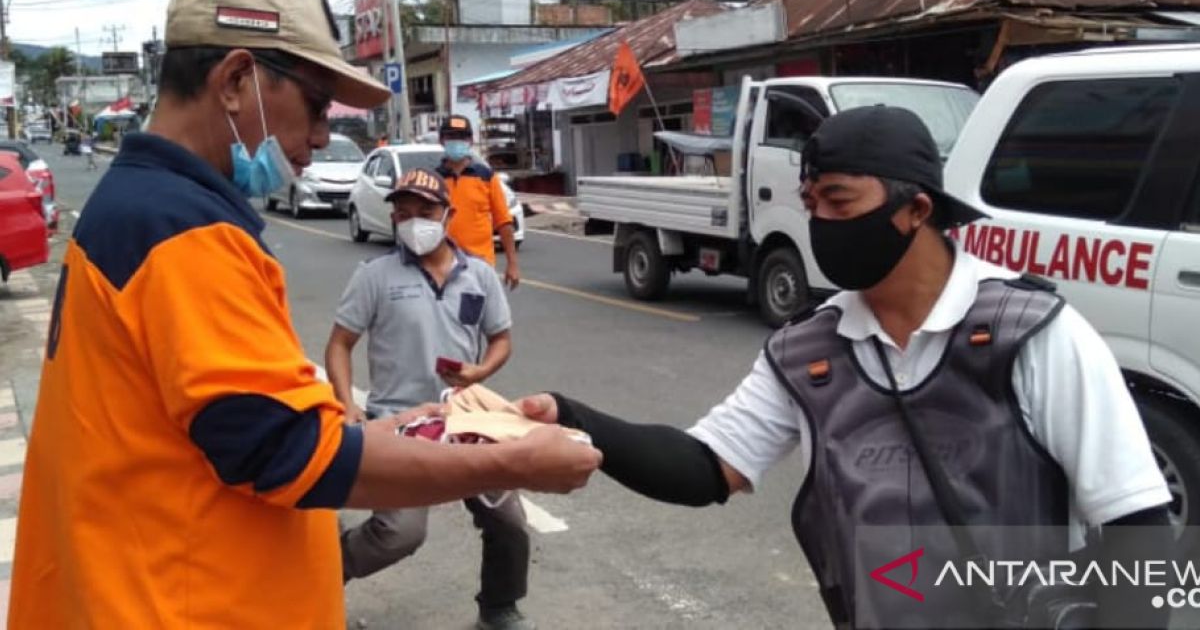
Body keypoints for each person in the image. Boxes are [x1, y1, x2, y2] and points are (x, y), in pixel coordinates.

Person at [9, 0, 600, 629]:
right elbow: (287, 454)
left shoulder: (140, 205)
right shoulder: (183, 231)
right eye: (317, 105)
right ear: (236, 82)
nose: (321, 136)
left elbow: (241, 427)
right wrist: (514, 461)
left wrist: (432, 428)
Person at [520, 106, 1173, 629]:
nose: (821, 222)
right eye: (812, 204)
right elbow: (705, 467)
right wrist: (574, 419)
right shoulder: (808, 352)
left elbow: (1137, 530)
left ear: (917, 209)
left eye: (840, 201)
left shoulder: (1032, 335)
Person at [328, 167, 535, 630]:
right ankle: (323, 574)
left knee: (508, 521)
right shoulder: (374, 276)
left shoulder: (479, 275)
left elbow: (501, 339)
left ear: (449, 214)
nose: (413, 220)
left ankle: (499, 609)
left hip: (465, 418)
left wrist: (481, 371)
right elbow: (340, 343)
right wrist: (347, 403)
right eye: (403, 212)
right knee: (399, 533)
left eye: (425, 210)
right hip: (399, 423)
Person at [437, 114, 520, 289]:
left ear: (470, 141)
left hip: (481, 265)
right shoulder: (434, 179)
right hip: (442, 265)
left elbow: (504, 222)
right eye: (451, 136)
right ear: (442, 140)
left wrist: (512, 264)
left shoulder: (486, 177)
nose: (457, 141)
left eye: (462, 137)